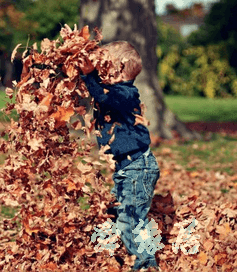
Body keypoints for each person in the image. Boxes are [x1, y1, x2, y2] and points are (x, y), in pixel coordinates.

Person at [80, 41, 161, 271]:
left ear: (119, 68)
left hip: (137, 167)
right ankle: (113, 253)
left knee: (132, 219)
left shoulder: (125, 94)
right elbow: (99, 93)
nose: (101, 71)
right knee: (118, 211)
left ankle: (147, 264)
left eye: (106, 66)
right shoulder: (115, 92)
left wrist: (89, 76)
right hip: (128, 168)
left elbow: (104, 96)